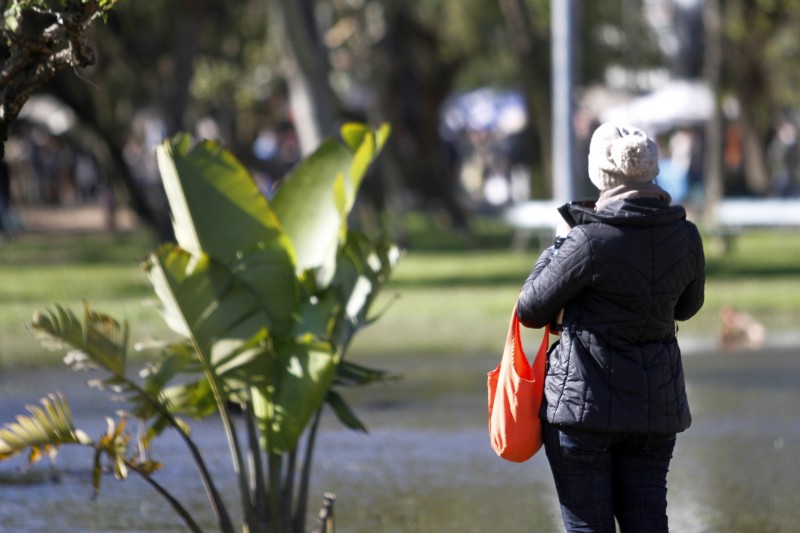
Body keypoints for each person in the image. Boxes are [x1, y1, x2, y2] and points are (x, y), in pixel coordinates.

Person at [516, 122, 705, 532]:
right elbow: (688, 308)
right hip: (655, 409)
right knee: (648, 523)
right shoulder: (686, 236)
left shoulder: (586, 240)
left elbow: (529, 310)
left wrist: (558, 245)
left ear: (599, 173)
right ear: (651, 169)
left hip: (583, 412)